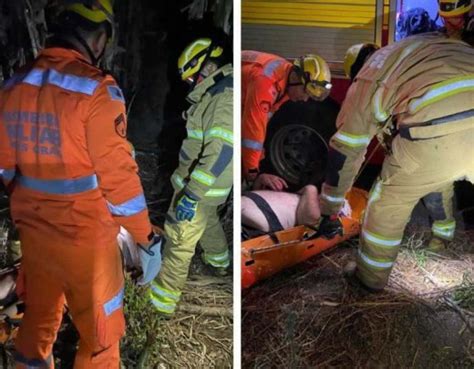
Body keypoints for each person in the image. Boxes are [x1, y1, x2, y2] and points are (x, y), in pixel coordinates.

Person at [0, 1, 161, 367]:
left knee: (38, 323)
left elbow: (6, 170)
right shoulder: (97, 90)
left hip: (37, 237)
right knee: (102, 341)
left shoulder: (12, 86)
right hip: (87, 244)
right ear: (100, 38)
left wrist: (33, 206)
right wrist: (145, 238)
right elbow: (119, 183)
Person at [318, 33, 474, 292]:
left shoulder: (370, 74)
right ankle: (441, 239)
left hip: (440, 127)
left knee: (386, 202)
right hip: (453, 117)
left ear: (356, 69)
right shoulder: (413, 51)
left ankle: (369, 280)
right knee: (438, 177)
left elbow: (346, 148)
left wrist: (330, 208)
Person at [149, 38, 233, 316]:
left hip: (199, 188)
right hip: (206, 190)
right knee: (208, 223)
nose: (191, 85)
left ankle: (161, 304)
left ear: (208, 67)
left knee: (178, 240)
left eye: (193, 78)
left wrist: (192, 194)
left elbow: (221, 152)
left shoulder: (224, 98)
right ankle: (219, 263)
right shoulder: (217, 94)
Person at [344, 43, 456, 252]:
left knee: (436, 195)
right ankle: (392, 236)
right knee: (393, 196)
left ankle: (442, 239)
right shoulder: (384, 82)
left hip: (431, 143)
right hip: (409, 149)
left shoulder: (399, 80)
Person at [241, 51, 332, 187]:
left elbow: (262, 122)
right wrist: (253, 175)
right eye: (305, 92)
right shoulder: (265, 83)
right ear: (296, 78)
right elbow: (252, 134)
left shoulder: (285, 78)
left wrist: (258, 157)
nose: (305, 99)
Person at [242, 185, 321, 234]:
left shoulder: (316, 212)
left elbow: (309, 220)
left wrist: (311, 189)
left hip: (263, 214)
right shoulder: (308, 198)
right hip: (248, 204)